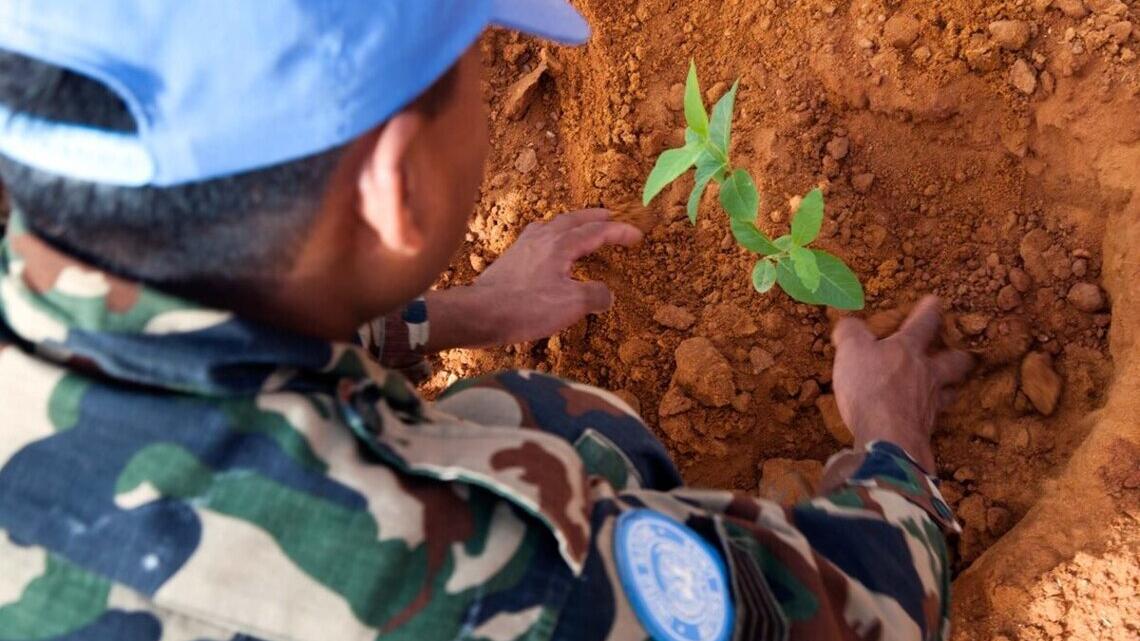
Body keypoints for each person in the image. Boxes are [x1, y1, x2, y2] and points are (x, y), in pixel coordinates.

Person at [0, 2, 972, 640]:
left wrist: (459, 312)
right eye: (469, 67)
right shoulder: (460, 583)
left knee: (543, 419)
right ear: (396, 185)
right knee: (583, 441)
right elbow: (843, 612)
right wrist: (895, 449)